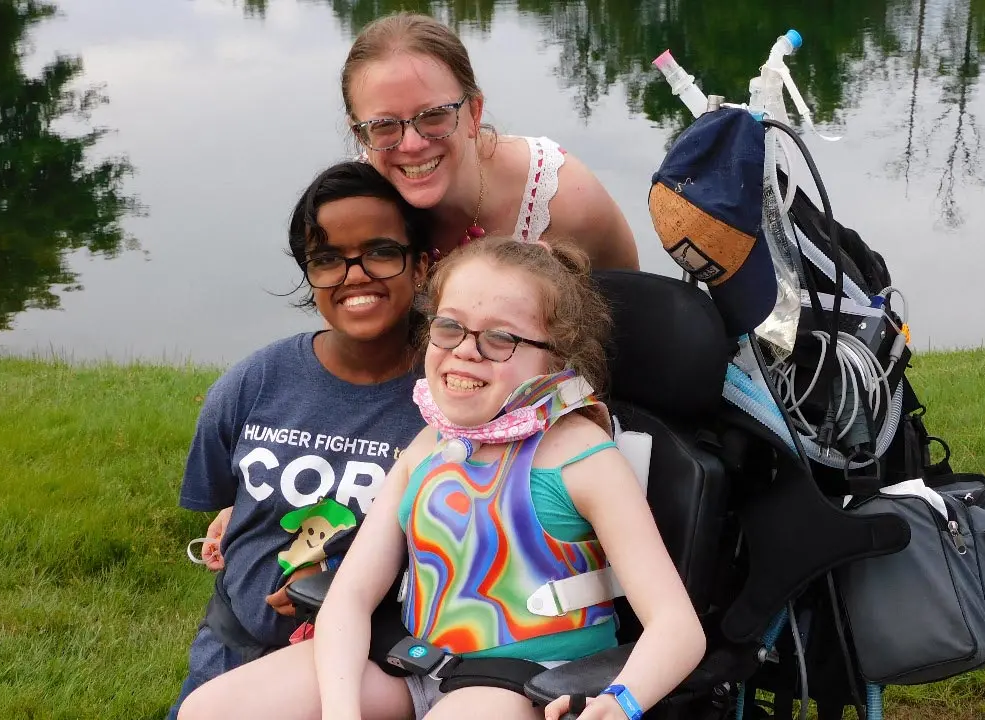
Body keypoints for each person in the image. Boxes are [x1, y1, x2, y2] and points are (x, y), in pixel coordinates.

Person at [177, 236, 706, 720]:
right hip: (410, 662)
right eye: (449, 327)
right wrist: (341, 709)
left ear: (557, 358)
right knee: (210, 709)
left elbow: (678, 629)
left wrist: (622, 700)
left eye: (500, 339)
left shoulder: (583, 459)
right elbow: (352, 595)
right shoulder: (430, 446)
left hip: (523, 686)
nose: (465, 349)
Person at [166, 160, 434, 718]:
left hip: (370, 672)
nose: (354, 274)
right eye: (328, 259)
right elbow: (228, 500)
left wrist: (343, 580)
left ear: (423, 265)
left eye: (381, 251)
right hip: (230, 654)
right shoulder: (255, 382)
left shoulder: (447, 399)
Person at [341, 12, 640, 271]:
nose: (412, 144)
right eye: (384, 125)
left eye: (433, 116)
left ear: (474, 112)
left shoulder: (561, 199)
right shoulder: (347, 209)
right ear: (360, 134)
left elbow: (637, 319)